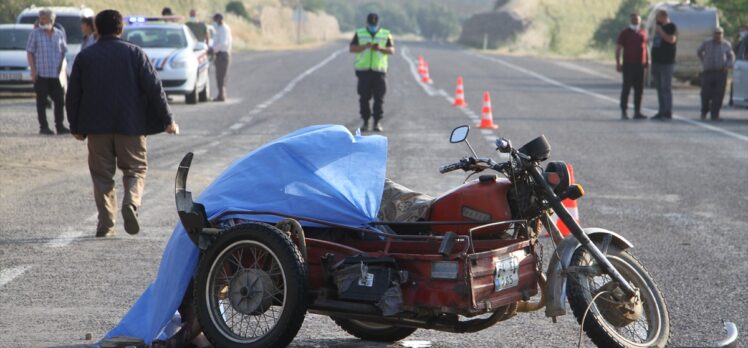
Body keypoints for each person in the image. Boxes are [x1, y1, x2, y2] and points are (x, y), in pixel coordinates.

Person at [66, 9, 179, 238]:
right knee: (136, 169)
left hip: (97, 127)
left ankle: (106, 224)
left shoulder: (85, 57)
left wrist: (75, 126)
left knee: (101, 176)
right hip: (131, 126)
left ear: (97, 29)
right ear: (121, 28)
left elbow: (73, 95)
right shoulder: (135, 54)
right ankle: (131, 203)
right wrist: (168, 120)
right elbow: (154, 88)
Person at [26, 8, 70, 135]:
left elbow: (63, 52)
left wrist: (63, 71)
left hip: (56, 75)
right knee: (41, 102)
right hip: (41, 74)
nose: (41, 21)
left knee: (60, 101)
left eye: (44, 19)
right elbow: (29, 52)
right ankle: (43, 127)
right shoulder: (35, 34)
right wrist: (33, 71)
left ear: (51, 20)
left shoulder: (59, 34)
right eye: (40, 18)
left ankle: (60, 126)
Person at [349, 13, 395, 132]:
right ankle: (365, 122)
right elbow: (352, 48)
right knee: (364, 98)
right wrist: (364, 47)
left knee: (379, 98)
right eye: (371, 24)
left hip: (379, 71)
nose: (372, 26)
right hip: (363, 71)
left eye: (374, 24)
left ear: (378, 23)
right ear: (367, 23)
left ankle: (377, 122)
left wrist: (380, 48)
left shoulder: (386, 34)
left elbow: (391, 50)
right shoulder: (359, 33)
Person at [616, 12, 649, 120]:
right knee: (626, 88)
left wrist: (648, 60)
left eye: (637, 19)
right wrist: (618, 62)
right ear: (630, 20)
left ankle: (637, 111)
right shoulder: (625, 33)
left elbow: (646, 46)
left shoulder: (643, 32)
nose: (636, 20)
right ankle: (624, 111)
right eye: (634, 19)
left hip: (641, 64)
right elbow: (619, 48)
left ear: (640, 20)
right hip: (629, 64)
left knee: (639, 90)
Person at [697, 27, 735, 121]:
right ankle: (704, 111)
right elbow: (699, 51)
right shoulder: (707, 43)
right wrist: (704, 61)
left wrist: (728, 65)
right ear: (713, 34)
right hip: (708, 72)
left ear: (723, 34)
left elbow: (731, 56)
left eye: (720, 33)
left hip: (721, 73)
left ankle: (715, 114)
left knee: (718, 95)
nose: (718, 35)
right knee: (705, 94)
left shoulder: (726, 44)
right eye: (716, 33)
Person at [650, 9, 678, 121]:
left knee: (666, 87)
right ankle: (661, 111)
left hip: (667, 62)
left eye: (658, 17)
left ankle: (667, 111)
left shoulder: (672, 27)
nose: (657, 19)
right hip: (656, 61)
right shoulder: (657, 28)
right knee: (659, 88)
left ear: (664, 17)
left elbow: (671, 40)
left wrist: (660, 31)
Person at [210, 13, 232, 102]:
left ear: (219, 19)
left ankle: (222, 95)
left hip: (222, 54)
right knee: (219, 76)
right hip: (219, 54)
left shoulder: (223, 29)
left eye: (215, 20)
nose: (214, 22)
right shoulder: (219, 28)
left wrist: (213, 50)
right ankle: (221, 94)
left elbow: (223, 43)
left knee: (221, 76)